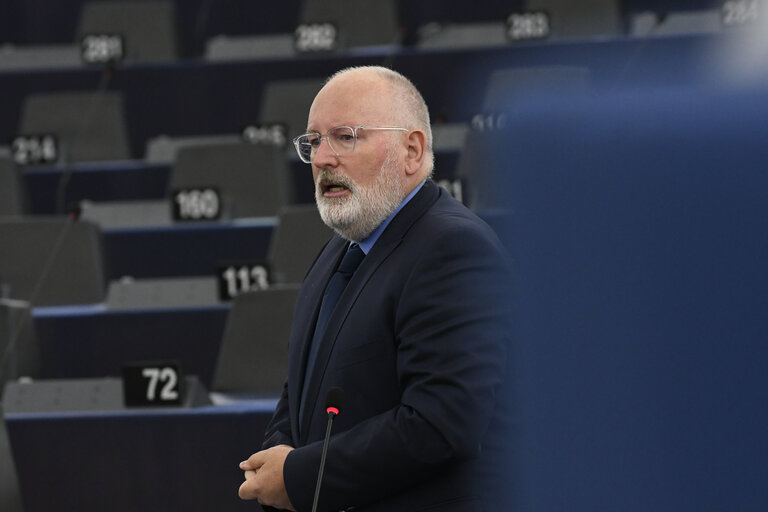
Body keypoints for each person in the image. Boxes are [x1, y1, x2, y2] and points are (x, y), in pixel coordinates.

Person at [238, 66, 513, 512]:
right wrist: (275, 465)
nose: (323, 158)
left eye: (345, 137)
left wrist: (299, 477)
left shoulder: (453, 248)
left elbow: (440, 424)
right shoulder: (335, 252)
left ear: (411, 150)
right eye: (313, 141)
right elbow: (300, 395)